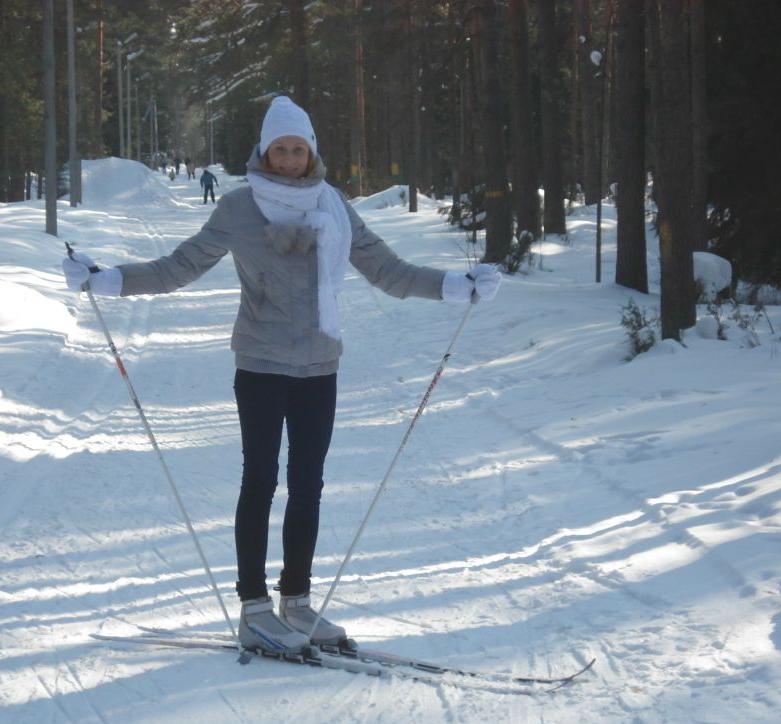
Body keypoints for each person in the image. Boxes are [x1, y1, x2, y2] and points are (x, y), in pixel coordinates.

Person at [63, 96, 500, 655]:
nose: (290, 159)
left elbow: (388, 271)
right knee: (261, 480)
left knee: (309, 484)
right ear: (265, 153)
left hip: (321, 365)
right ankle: (253, 608)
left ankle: (296, 600)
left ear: (311, 152)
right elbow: (181, 266)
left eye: (298, 149)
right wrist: (109, 280)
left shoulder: (335, 208)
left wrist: (454, 285)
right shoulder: (240, 209)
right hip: (261, 365)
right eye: (280, 150)